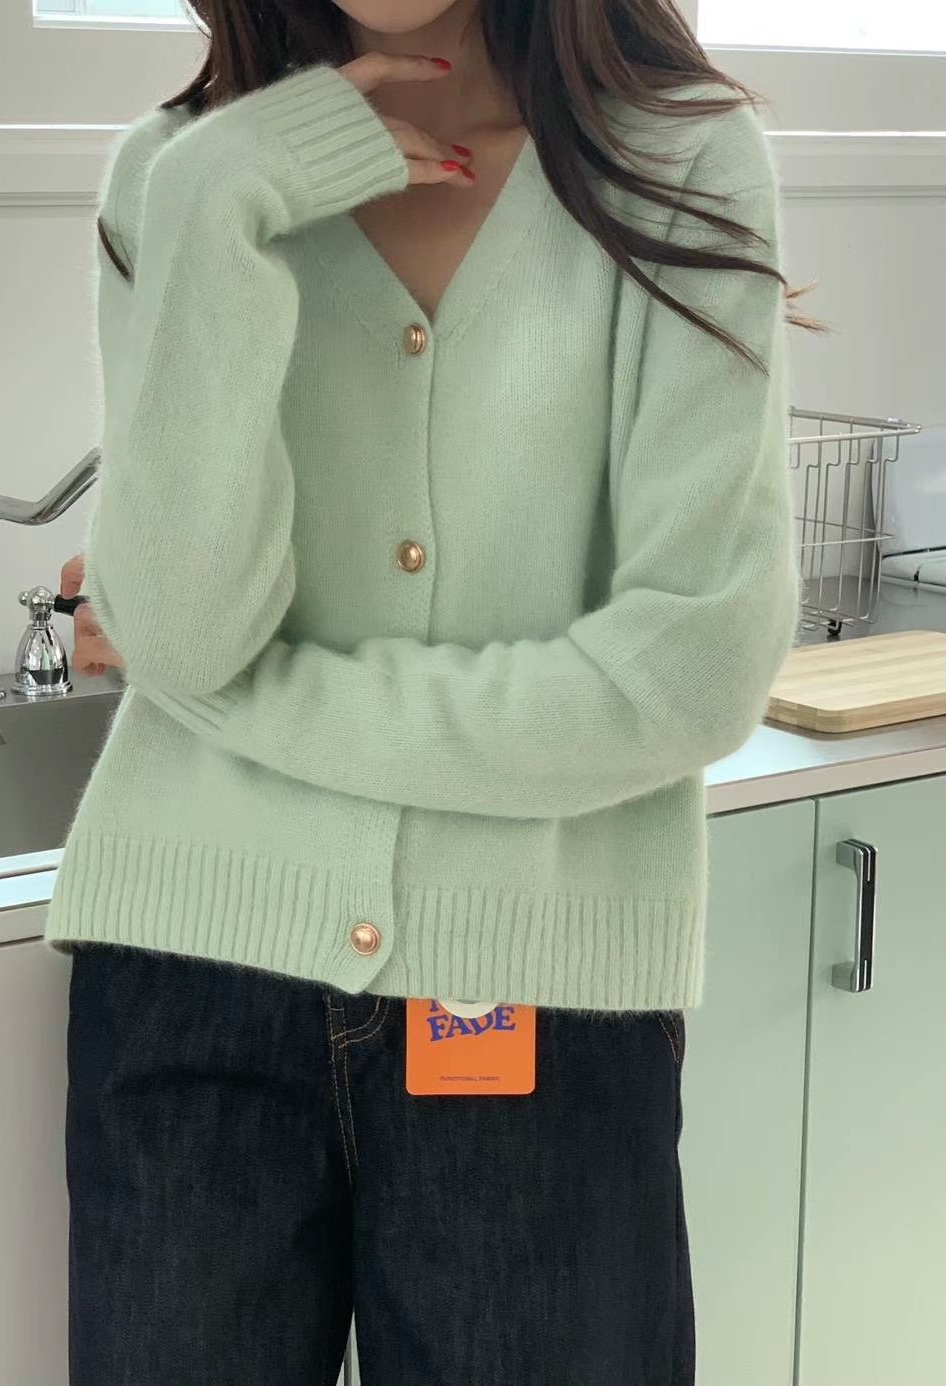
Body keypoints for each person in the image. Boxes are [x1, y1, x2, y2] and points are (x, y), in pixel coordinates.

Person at [48, 0, 803, 1381]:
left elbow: (693, 669)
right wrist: (219, 201)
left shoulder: (678, 162)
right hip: (189, 989)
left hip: (541, 998)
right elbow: (184, 632)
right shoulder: (183, 173)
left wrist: (261, 709)